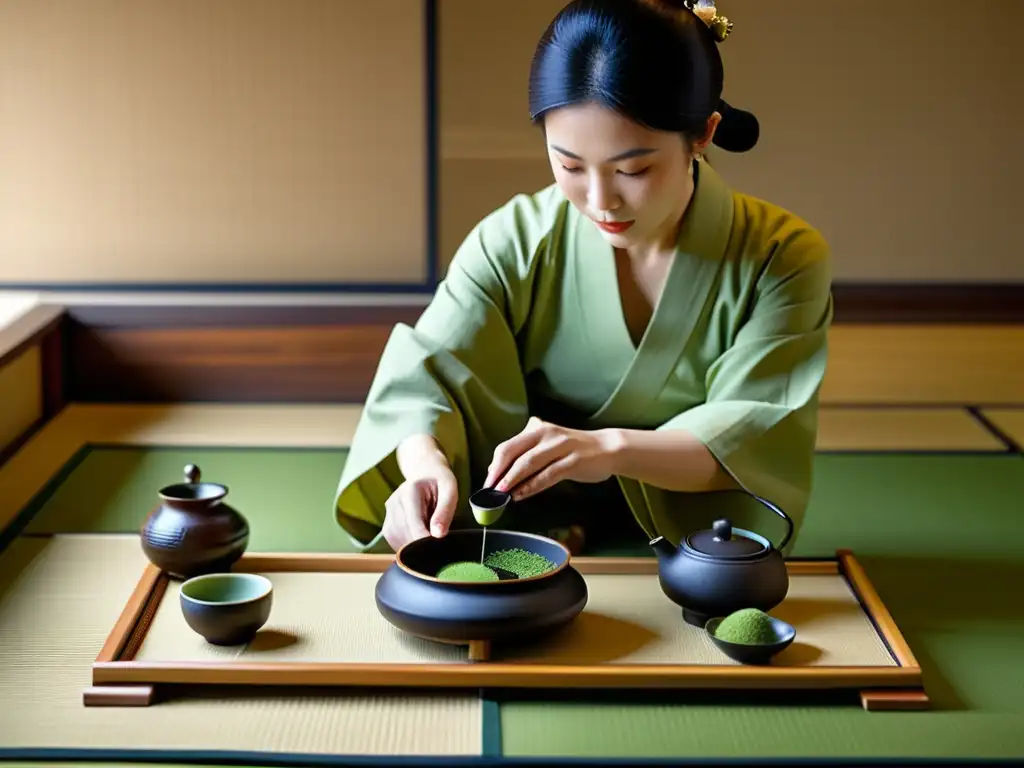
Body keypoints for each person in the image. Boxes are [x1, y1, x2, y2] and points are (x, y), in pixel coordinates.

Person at [333, 0, 833, 556]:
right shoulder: (514, 241)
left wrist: (612, 449)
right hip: (525, 522)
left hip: (691, 524)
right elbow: (425, 374)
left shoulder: (781, 257)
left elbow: (759, 427)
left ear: (702, 134)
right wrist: (423, 463)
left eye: (632, 169)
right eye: (569, 165)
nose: (599, 201)